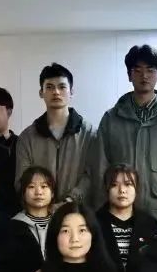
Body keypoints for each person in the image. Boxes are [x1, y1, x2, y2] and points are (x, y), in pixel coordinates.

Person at [92, 44, 157, 218]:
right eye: (137, 70)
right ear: (129, 75)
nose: (144, 75)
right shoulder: (111, 119)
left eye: (150, 70)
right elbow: (100, 170)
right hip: (121, 215)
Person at [16, 63, 98, 205]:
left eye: (62, 87)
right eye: (49, 87)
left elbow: (92, 175)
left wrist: (69, 201)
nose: (56, 92)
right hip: (39, 211)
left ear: (71, 91)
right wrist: (43, 206)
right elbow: (22, 180)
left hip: (77, 212)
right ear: (41, 93)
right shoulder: (27, 137)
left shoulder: (89, 133)